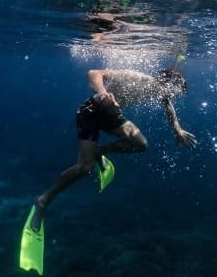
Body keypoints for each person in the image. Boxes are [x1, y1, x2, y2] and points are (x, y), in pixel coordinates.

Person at [29, 66, 197, 231]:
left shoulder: (159, 92)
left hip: (112, 116)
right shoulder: (137, 78)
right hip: (90, 112)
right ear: (165, 83)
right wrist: (103, 92)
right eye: (176, 92)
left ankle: (99, 151)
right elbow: (94, 73)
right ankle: (43, 200)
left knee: (141, 144)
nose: (174, 97)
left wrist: (177, 129)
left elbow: (168, 106)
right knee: (84, 168)